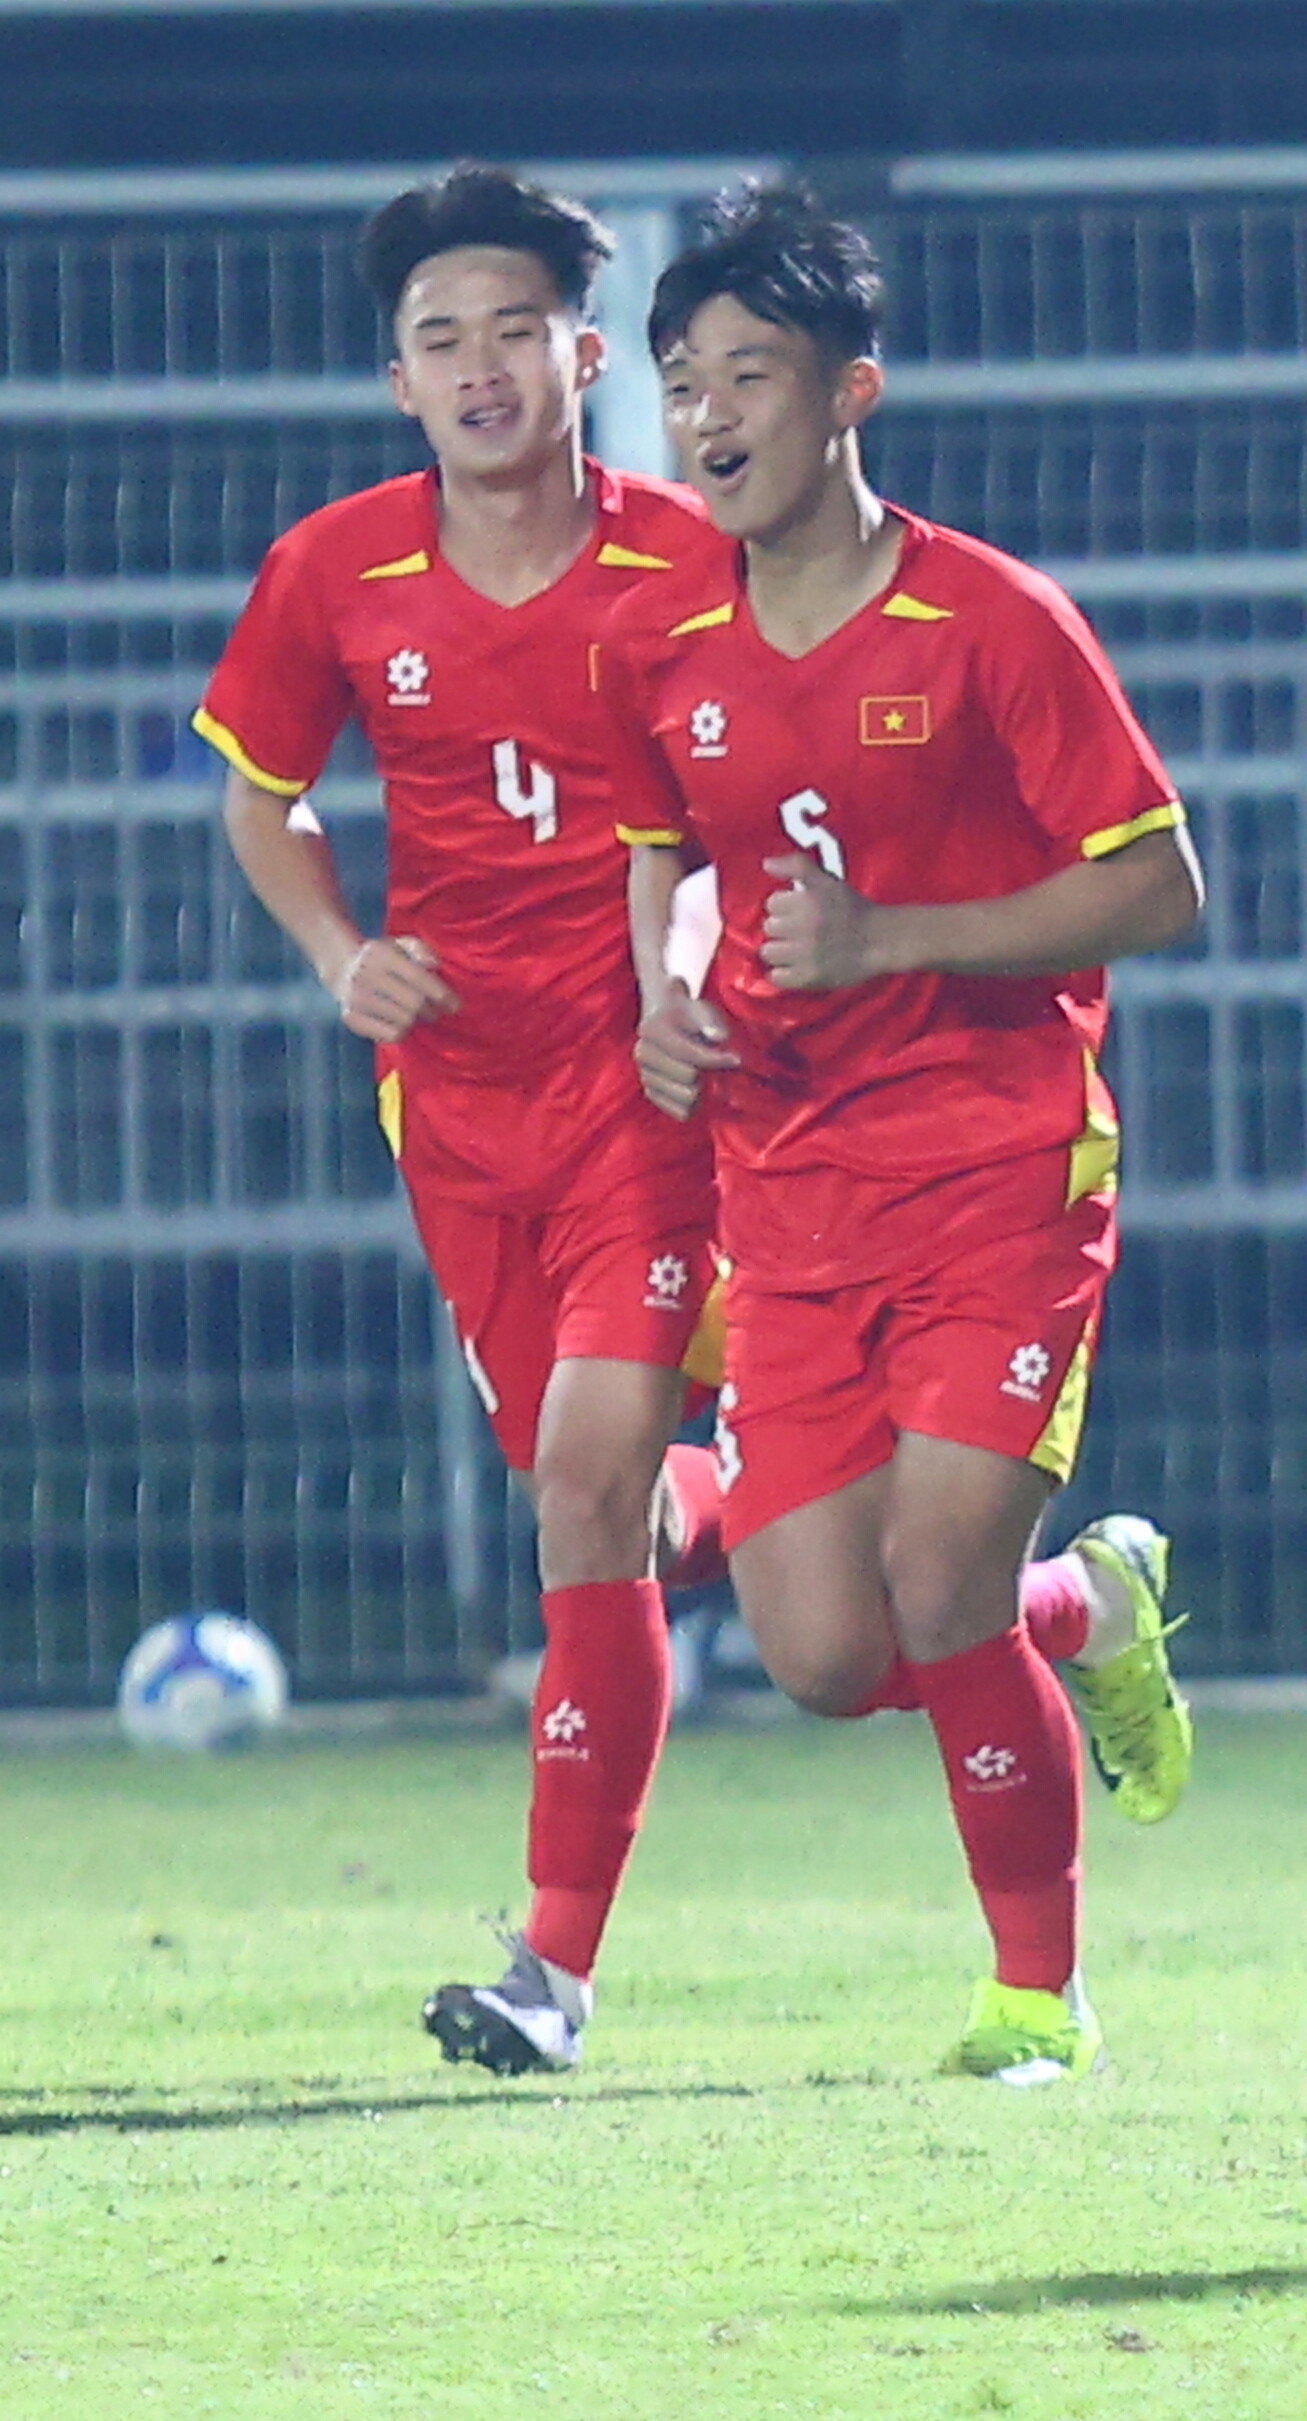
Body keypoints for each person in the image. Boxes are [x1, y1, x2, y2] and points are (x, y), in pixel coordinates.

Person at [607, 183, 1204, 2085]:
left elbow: (1160, 884)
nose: (707, 416)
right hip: (790, 1189)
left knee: (938, 1586)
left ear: (850, 391)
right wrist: (663, 996)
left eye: (749, 375)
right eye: (683, 379)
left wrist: (895, 937)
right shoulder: (660, 641)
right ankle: (1089, 1603)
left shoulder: (991, 620)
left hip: (999, 1161)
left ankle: (1036, 1997)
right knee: (828, 1657)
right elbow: (663, 856)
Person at [197, 164, 744, 2075]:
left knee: (584, 1486)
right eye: (444, 338)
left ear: (588, 358)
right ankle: (865, 1520)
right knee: (614, 1511)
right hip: (454, 1102)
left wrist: (691, 966)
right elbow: (262, 796)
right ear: (402, 381)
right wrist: (342, 952)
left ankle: (551, 1972)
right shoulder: (335, 571)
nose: (483, 364)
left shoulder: (695, 559)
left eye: (519, 327)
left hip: (648, 1083)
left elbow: (756, 789)